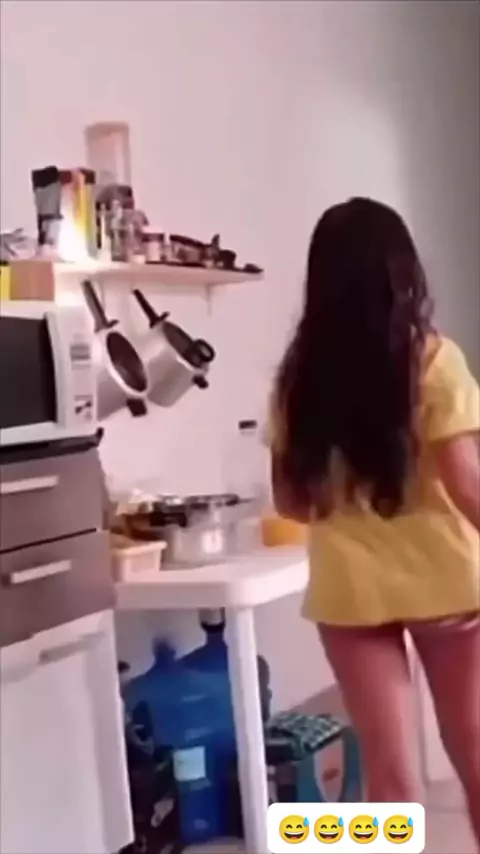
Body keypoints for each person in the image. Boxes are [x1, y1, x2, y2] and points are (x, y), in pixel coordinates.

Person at [269, 198, 480, 842]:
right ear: (401, 272)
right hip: (449, 586)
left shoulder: (297, 382)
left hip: (352, 596)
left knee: (391, 784)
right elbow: (468, 486)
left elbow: (292, 504)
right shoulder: (432, 360)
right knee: (476, 759)